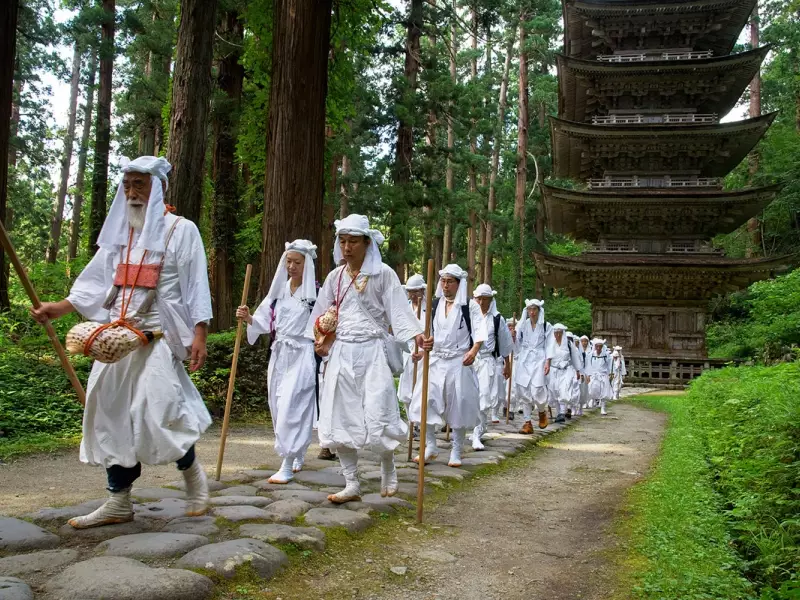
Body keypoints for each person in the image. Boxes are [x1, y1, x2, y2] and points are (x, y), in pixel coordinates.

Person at [31, 156, 212, 528]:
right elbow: (96, 283)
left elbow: (196, 284)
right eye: (127, 184)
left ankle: (193, 478)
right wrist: (60, 308)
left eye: (140, 185)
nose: (132, 192)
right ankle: (118, 501)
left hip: (158, 337)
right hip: (116, 338)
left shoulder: (181, 231)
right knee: (110, 413)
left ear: (157, 188)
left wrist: (200, 333)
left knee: (159, 409)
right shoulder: (120, 237)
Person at [307, 214, 424, 503]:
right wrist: (320, 338)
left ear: (367, 243)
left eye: (353, 241)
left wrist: (416, 337)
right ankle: (351, 483)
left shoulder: (383, 274)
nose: (347, 247)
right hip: (342, 354)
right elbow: (321, 314)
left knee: (377, 411)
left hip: (372, 352)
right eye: (342, 241)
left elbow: (398, 311)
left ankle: (388, 466)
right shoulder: (335, 278)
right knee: (340, 416)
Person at [236, 240, 318, 484]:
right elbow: (262, 321)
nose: (291, 266)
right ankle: (296, 451)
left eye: (297, 262)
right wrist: (248, 317)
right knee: (278, 404)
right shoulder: (278, 292)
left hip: (302, 354)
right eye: (288, 261)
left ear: (307, 264)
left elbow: (324, 326)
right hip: (280, 353)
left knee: (294, 406)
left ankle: (287, 463)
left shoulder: (316, 294)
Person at [410, 265, 487, 467]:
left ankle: (456, 450)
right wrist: (424, 343)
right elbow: (428, 332)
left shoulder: (469, 306)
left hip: (458, 360)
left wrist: (474, 350)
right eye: (443, 281)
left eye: (450, 281)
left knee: (458, 404)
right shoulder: (434, 305)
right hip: (436, 359)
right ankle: (430, 446)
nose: (445, 285)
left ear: (458, 284)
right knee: (424, 400)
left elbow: (479, 329)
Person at [470, 284, 512, 449]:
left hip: (488, 361)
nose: (481, 302)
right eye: (478, 298)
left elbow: (505, 344)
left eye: (485, 299)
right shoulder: (468, 315)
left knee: (484, 396)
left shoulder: (497, 319)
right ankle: (473, 428)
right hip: (469, 361)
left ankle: (477, 433)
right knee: (468, 396)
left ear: (490, 300)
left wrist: (507, 365)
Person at [514, 299, 551, 432]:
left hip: (539, 359)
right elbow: (516, 343)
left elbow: (550, 345)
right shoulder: (522, 325)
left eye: (534, 309)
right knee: (523, 390)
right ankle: (527, 422)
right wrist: (513, 337)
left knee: (537, 390)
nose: (532, 312)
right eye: (530, 309)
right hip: (524, 359)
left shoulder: (547, 326)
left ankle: (541, 411)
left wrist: (548, 361)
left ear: (539, 310)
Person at [397, 274, 426, 408]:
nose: (412, 294)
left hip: (424, 355)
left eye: (416, 291)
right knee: (406, 393)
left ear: (422, 291)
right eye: (410, 291)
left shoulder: (430, 308)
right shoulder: (405, 309)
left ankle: (421, 425)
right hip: (408, 353)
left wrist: (422, 352)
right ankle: (411, 424)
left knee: (421, 391)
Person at [546, 325, 582, 423]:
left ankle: (562, 412)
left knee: (564, 390)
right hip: (553, 371)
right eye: (556, 333)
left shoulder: (569, 344)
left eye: (560, 333)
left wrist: (578, 370)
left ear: (563, 333)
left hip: (566, 370)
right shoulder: (550, 344)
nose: (557, 335)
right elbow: (547, 357)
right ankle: (558, 413)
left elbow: (575, 357)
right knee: (554, 391)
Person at [586, 338, 613, 415]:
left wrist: (611, 373)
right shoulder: (591, 355)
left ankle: (603, 408)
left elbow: (609, 365)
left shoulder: (606, 355)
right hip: (594, 375)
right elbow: (588, 365)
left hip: (603, 375)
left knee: (604, 391)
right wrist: (588, 375)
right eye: (597, 346)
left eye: (600, 346)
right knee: (592, 389)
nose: (598, 348)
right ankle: (594, 400)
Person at [499, 317, 518, 420]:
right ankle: (505, 406)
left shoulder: (519, 335)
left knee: (512, 387)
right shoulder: (503, 335)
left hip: (515, 362)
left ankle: (510, 409)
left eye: (513, 326)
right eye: (509, 326)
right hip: (503, 362)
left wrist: (515, 339)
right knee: (502, 388)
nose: (511, 328)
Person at [578, 335, 591, 409]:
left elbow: (589, 363)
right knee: (580, 388)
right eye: (582, 341)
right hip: (580, 371)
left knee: (586, 388)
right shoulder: (578, 351)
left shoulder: (590, 351)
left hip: (587, 371)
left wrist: (588, 374)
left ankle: (586, 402)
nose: (584, 343)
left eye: (585, 341)